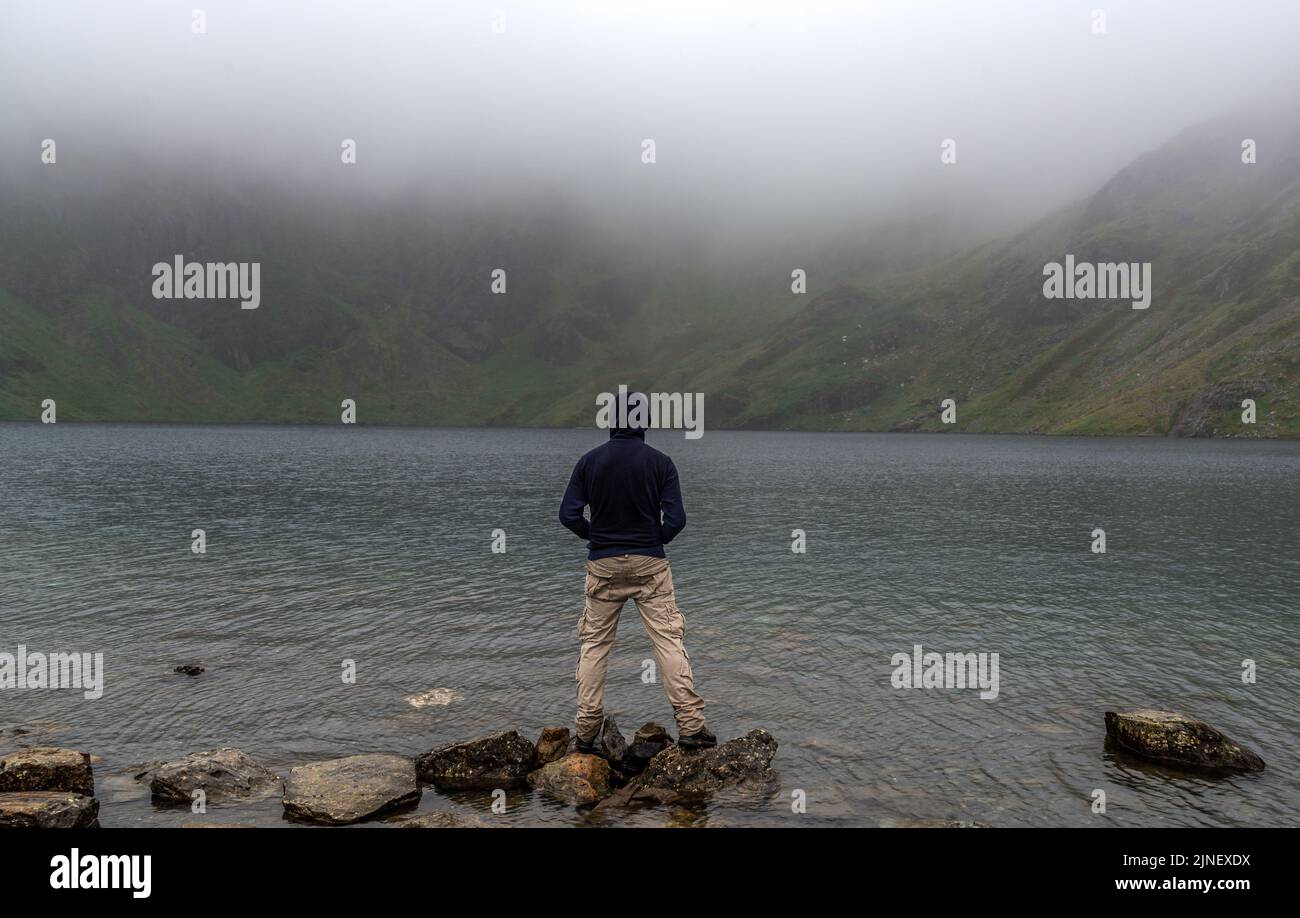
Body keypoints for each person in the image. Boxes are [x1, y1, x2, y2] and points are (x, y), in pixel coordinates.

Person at [558, 410, 715, 751]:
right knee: (668, 641)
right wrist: (652, 540)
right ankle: (691, 728)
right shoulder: (661, 463)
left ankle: (585, 734)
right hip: (650, 565)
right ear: (643, 424)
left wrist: (596, 537)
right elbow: (676, 519)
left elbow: (568, 514)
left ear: (611, 423)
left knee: (595, 645)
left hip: (603, 565)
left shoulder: (589, 462)